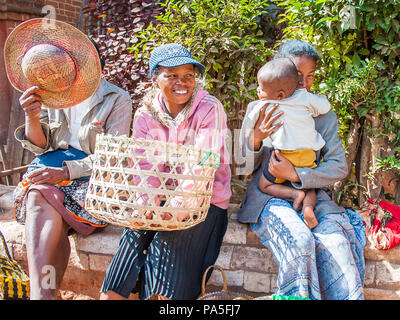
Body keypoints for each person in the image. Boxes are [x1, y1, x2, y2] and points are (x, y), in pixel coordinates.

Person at [5, 19, 133, 299]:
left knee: (42, 196)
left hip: (93, 181)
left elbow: (112, 159)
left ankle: (41, 296)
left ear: (98, 67)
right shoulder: (54, 96)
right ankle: (45, 295)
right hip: (52, 179)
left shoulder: (116, 99)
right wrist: (31, 116)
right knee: (42, 198)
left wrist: (65, 172)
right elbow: (41, 147)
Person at [100, 43, 232, 300]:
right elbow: (145, 168)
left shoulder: (208, 109)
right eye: (171, 75)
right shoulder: (145, 114)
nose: (181, 82)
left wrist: (171, 214)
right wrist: (146, 206)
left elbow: (202, 167)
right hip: (159, 200)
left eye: (188, 76)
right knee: (131, 240)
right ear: (154, 78)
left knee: (165, 256)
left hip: (202, 203)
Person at [237, 39, 366, 300]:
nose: (304, 83)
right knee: (299, 240)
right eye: (298, 76)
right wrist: (256, 138)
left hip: (313, 195)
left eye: (310, 76)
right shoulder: (265, 108)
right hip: (269, 197)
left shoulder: (320, 113)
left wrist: (297, 175)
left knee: (338, 246)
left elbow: (338, 165)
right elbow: (241, 167)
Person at [250, 57, 331, 229]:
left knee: (264, 185)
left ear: (279, 94)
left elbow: (248, 123)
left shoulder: (267, 103)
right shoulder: (304, 97)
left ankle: (294, 194)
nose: (258, 91)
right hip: (308, 155)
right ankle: (308, 208)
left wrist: (253, 134)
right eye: (298, 75)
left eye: (261, 89)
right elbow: (324, 107)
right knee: (310, 187)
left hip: (284, 156)